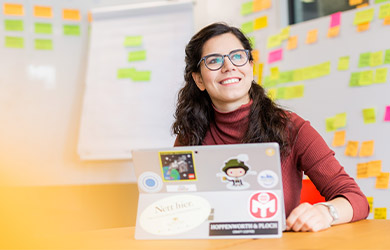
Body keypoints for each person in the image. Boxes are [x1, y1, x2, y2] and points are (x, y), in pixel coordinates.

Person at [172, 22, 369, 232]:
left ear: (250, 66)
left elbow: (355, 199)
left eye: (238, 56)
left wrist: (325, 211)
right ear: (199, 79)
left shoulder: (292, 128)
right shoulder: (190, 136)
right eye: (214, 60)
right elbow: (174, 206)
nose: (229, 66)